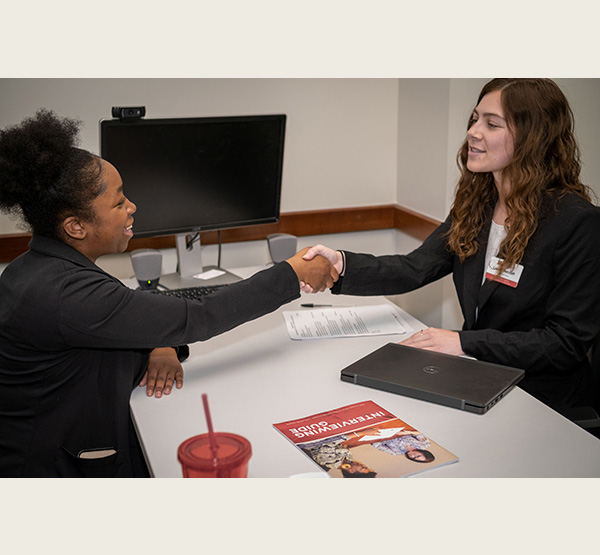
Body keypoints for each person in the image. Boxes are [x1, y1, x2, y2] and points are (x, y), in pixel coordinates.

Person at [0, 109, 338, 477]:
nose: (132, 207)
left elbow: (127, 318)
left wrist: (159, 341)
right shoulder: (65, 292)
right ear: (76, 227)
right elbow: (197, 316)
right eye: (117, 202)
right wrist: (291, 274)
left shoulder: (40, 267)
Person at [302, 78, 600, 413]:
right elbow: (415, 267)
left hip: (542, 400)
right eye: (474, 119)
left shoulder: (577, 222)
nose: (473, 131)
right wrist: (342, 264)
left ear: (534, 137)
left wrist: (461, 342)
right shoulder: (478, 204)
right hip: (476, 380)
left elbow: (564, 343)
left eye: (492, 124)